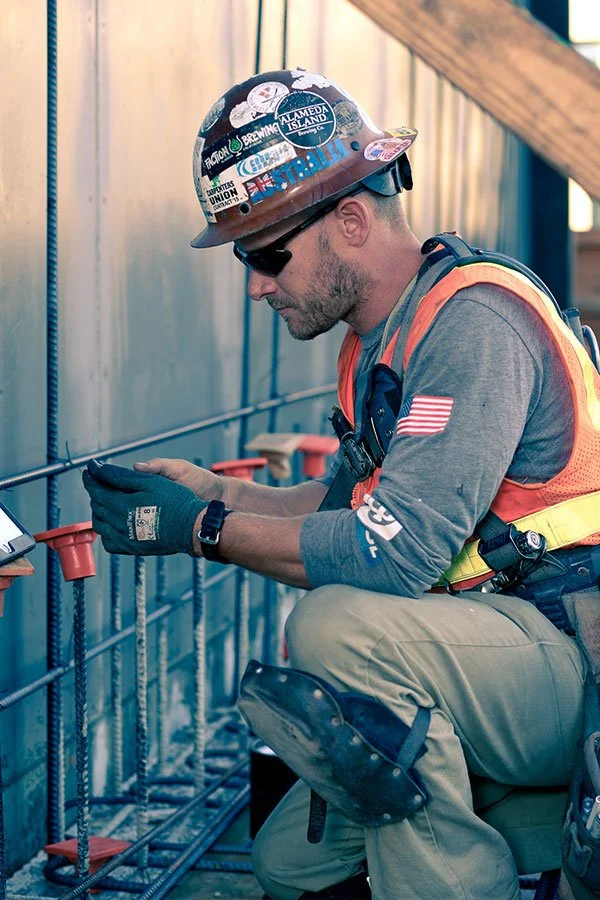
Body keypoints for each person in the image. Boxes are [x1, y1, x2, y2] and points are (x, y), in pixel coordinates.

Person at [83, 70, 600, 900]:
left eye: (266, 253)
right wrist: (211, 491)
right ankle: (529, 830)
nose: (256, 283)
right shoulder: (381, 344)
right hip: (494, 656)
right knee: (294, 863)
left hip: (573, 659)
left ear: (351, 220)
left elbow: (389, 555)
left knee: (335, 629)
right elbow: (342, 510)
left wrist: (203, 528)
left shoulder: (472, 325)